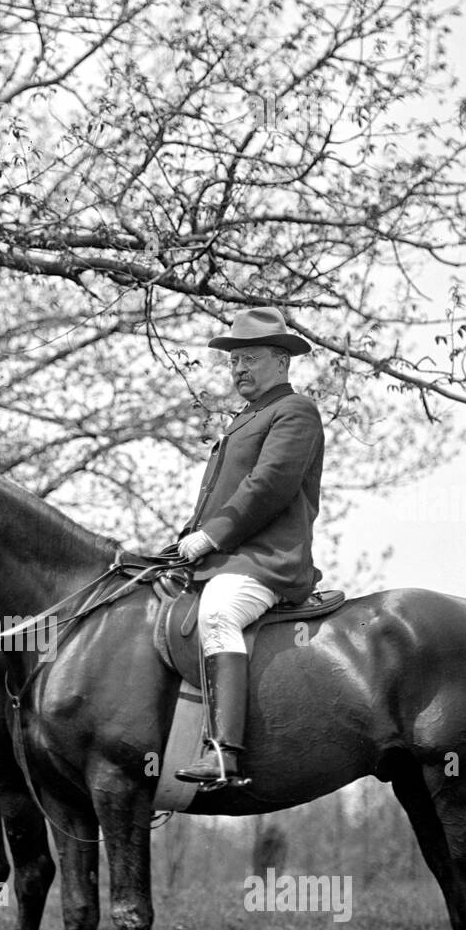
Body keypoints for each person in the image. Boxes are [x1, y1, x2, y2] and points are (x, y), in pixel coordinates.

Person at [172, 307, 324, 789]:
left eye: (250, 358)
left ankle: (222, 753)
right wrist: (185, 540)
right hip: (227, 557)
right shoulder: (246, 418)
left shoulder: (294, 411)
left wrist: (211, 536)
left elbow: (268, 487)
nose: (238, 369)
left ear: (281, 361)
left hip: (266, 562)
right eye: (233, 361)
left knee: (217, 613)